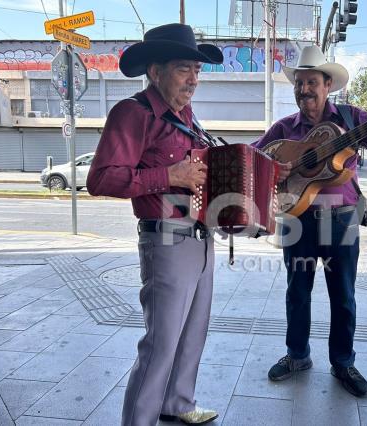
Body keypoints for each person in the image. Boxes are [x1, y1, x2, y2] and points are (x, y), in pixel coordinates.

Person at [252, 45, 367, 398]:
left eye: (311, 82)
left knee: (343, 296)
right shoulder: (283, 128)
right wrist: (275, 167)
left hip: (341, 219)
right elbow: (255, 155)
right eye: (299, 83)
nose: (304, 89)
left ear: (327, 85)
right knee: (297, 291)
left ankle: (343, 362)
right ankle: (297, 355)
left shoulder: (353, 119)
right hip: (298, 218)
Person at [86, 23, 223, 426]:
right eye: (184, 69)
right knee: (160, 343)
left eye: (197, 71)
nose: (193, 80)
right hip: (165, 241)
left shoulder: (188, 118)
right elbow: (100, 179)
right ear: (155, 71)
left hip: (200, 238)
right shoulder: (133, 114)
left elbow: (198, 172)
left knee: (193, 333)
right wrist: (169, 176)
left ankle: (178, 403)